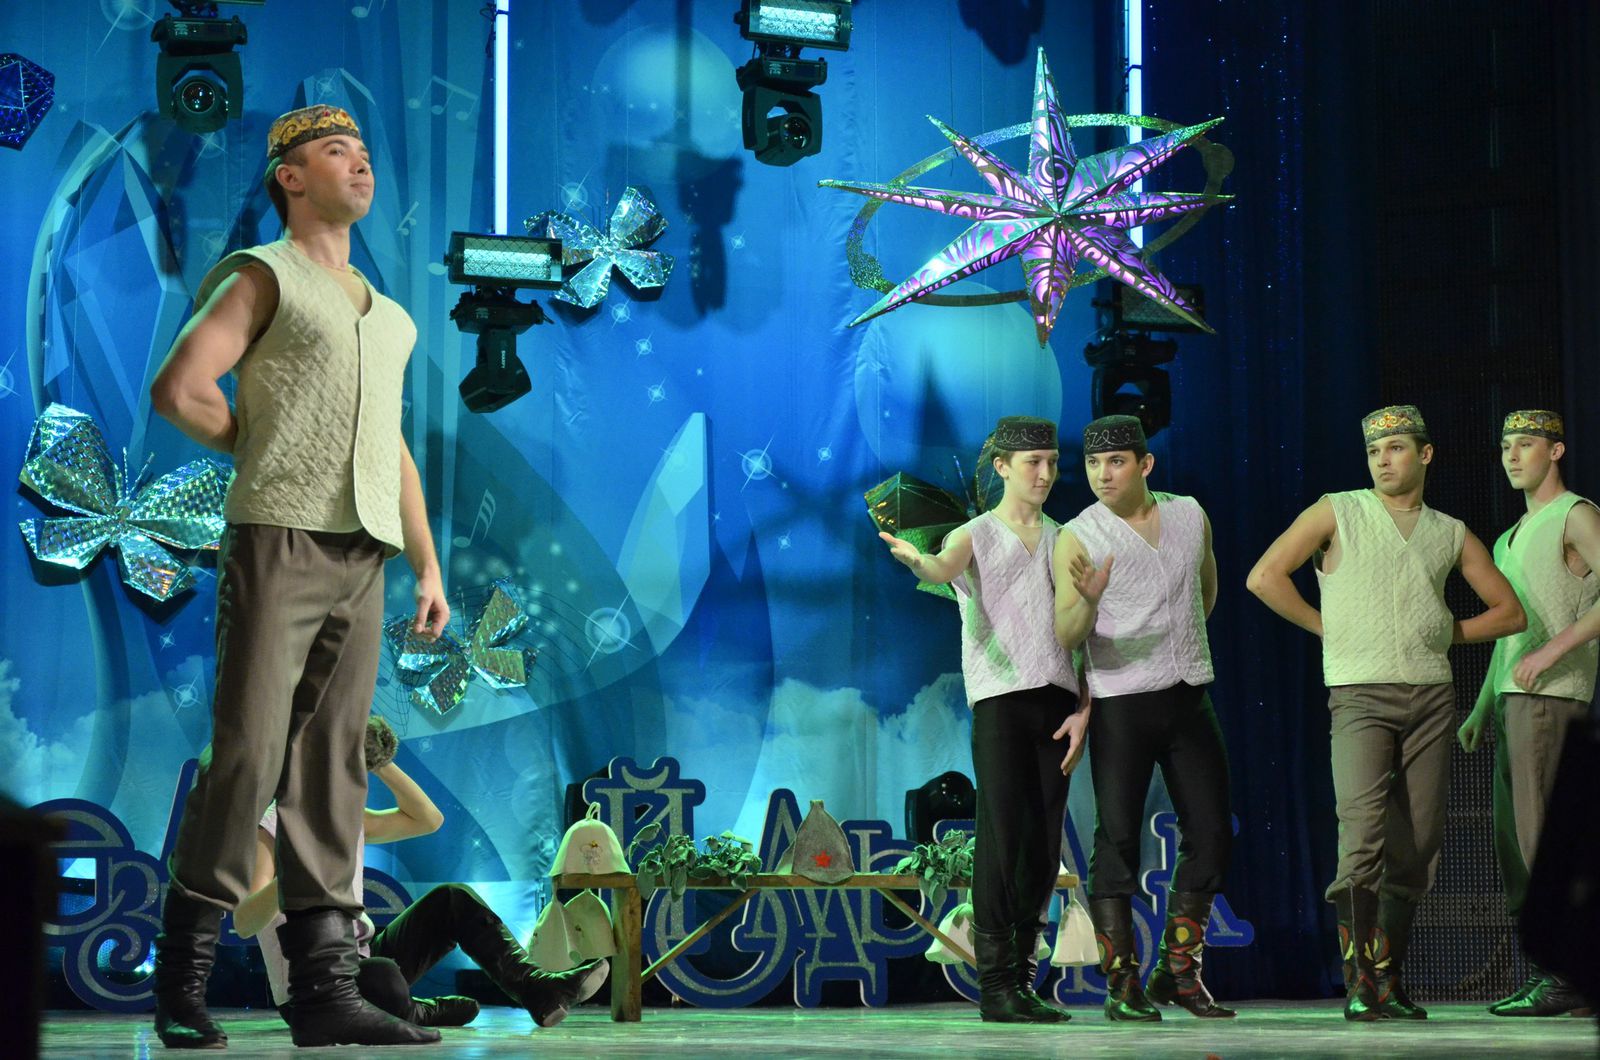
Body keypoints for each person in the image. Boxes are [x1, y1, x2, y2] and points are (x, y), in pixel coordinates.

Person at [148, 103, 449, 1049]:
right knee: (247, 753)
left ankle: (324, 992)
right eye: (334, 151)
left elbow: (390, 446)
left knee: (330, 765)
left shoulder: (389, 317)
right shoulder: (263, 274)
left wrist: (427, 563)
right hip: (278, 538)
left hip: (364, 554)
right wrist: (262, 448)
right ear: (290, 176)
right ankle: (180, 980)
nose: (359, 165)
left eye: (364, 152)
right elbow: (181, 387)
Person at [1248, 404, 1524, 1021]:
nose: (1382, 460)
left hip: (1430, 695)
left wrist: (1445, 631)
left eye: (1395, 448)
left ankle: (1387, 978)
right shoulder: (1337, 509)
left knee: (1420, 841)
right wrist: (1328, 628)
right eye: (1374, 451)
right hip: (1359, 694)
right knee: (1362, 833)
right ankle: (1358, 982)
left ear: (1424, 455)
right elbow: (1264, 577)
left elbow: (1510, 613)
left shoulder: (1449, 531)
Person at [878, 416, 1087, 1024]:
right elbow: (943, 569)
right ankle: (995, 984)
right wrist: (918, 561)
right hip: (1000, 698)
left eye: (1051, 462)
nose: (1045, 474)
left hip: (1057, 699)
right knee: (1003, 834)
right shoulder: (976, 532)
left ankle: (1022, 976)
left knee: (1044, 842)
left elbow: (1085, 629)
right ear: (1002, 467)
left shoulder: (1063, 536)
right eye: (1032, 463)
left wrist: (1084, 707)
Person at [235, 717, 610, 1031]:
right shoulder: (274, 824)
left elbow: (428, 819)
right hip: (312, 987)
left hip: (362, 960)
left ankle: (536, 989)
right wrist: (294, 875)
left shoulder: (348, 818)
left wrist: (380, 759)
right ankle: (417, 1012)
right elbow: (245, 921)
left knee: (451, 901)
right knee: (380, 977)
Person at [1053, 414, 1235, 1023]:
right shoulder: (1078, 535)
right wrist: (1089, 600)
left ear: (1145, 464)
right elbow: (1066, 634)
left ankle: (1177, 973)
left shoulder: (1189, 514)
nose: (1102, 475)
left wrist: (1180, 642)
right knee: (1118, 839)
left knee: (1211, 832)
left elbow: (1206, 592)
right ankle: (1121, 983)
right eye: (1093, 464)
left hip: (1187, 692)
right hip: (1121, 700)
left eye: (1116, 462)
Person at [1456, 409, 1599, 1018]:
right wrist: (1481, 705)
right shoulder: (1508, 537)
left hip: (1553, 695)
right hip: (1515, 700)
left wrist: (1552, 651)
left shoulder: (1575, 514)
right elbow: (1508, 637)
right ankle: (1556, 972)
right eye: (1505, 445)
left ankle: (1568, 976)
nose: (1512, 456)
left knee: (1543, 838)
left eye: (1526, 444)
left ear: (1556, 451)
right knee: (1515, 842)